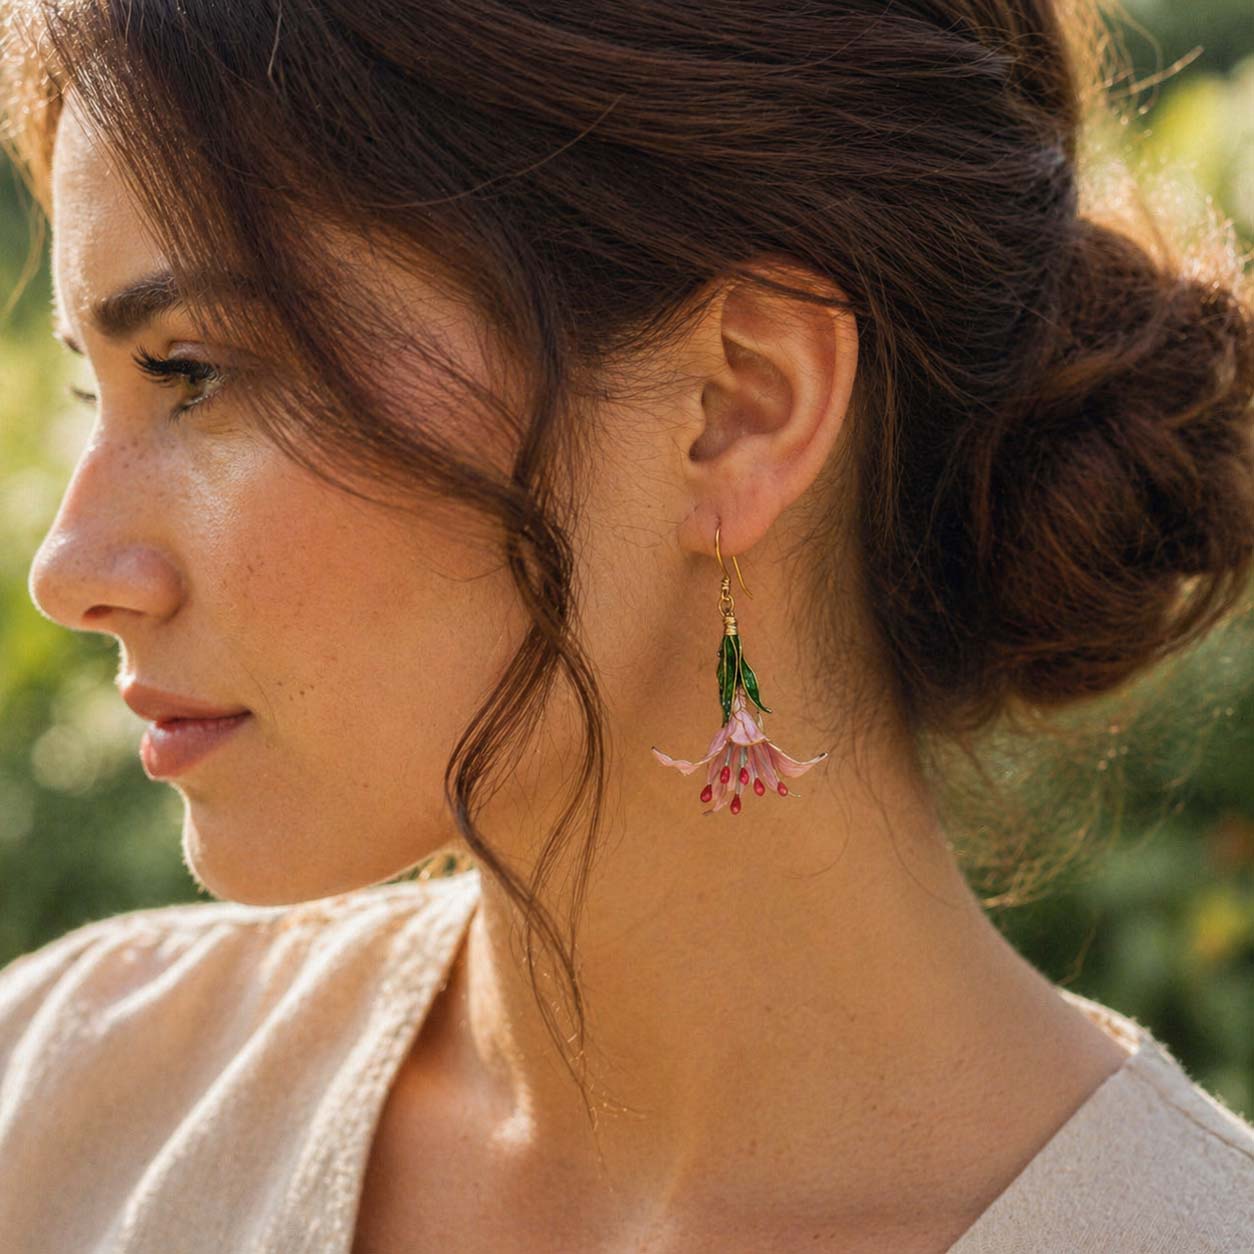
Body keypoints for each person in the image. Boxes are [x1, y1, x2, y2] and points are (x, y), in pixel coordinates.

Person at [1, 1, 1252, 1251]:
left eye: (195, 372)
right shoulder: (65, 1108)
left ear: (735, 407)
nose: (70, 572)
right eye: (88, 385)